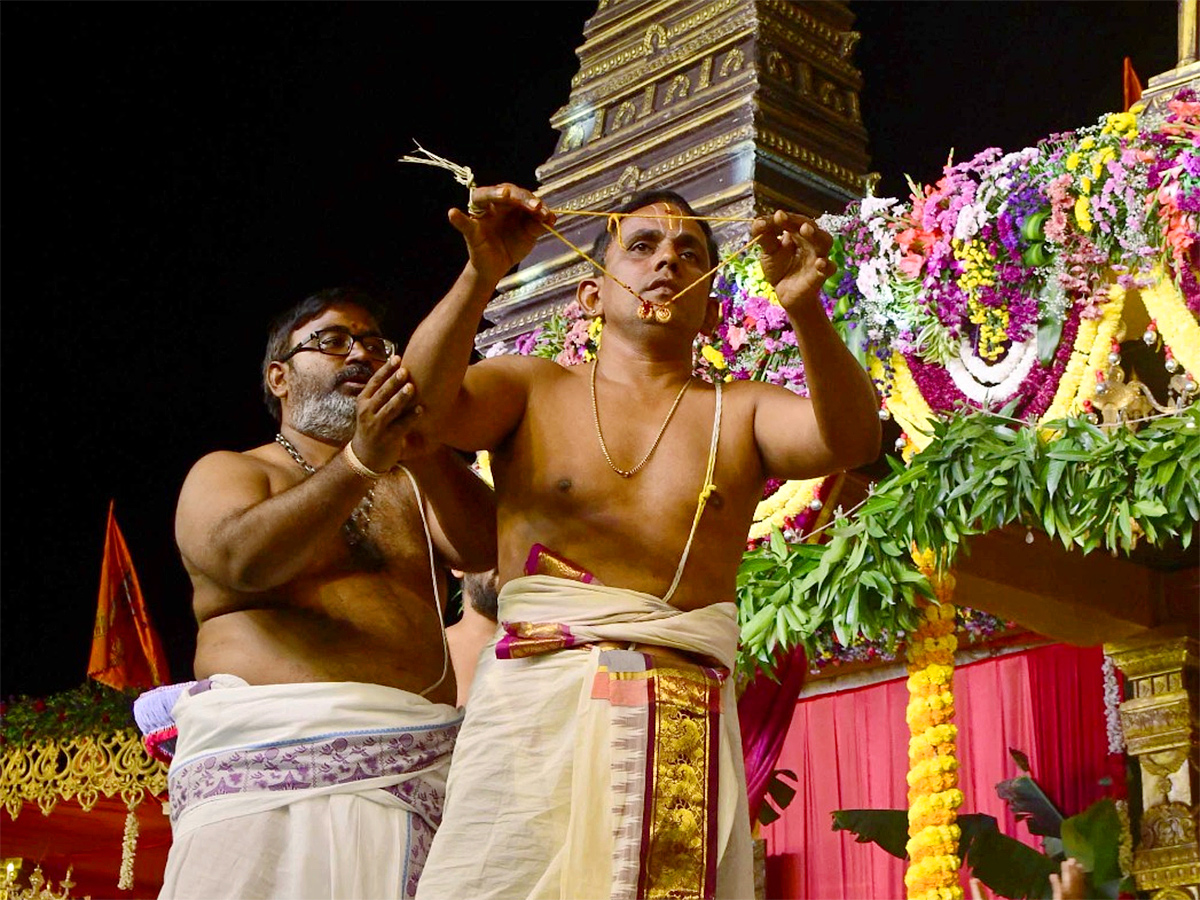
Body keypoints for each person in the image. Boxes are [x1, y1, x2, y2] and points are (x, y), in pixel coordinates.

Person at [402, 185, 881, 899]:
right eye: (643, 246)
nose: (668, 261)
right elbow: (423, 404)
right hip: (534, 711)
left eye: (690, 251)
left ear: (712, 306)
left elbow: (850, 439)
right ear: (593, 295)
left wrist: (805, 306)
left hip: (677, 708)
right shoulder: (532, 389)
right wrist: (483, 273)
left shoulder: (738, 412)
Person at [138, 288, 498, 900]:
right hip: (265, 773)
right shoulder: (231, 470)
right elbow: (241, 561)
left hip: (412, 768)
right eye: (332, 341)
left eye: (373, 343)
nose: (360, 354)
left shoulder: (413, 483)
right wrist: (359, 460)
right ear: (279, 377)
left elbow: (487, 548)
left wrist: (426, 449)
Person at [445, 569, 501, 706]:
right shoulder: (427, 655)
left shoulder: (556, 648)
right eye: (492, 548)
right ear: (457, 567)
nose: (502, 559)